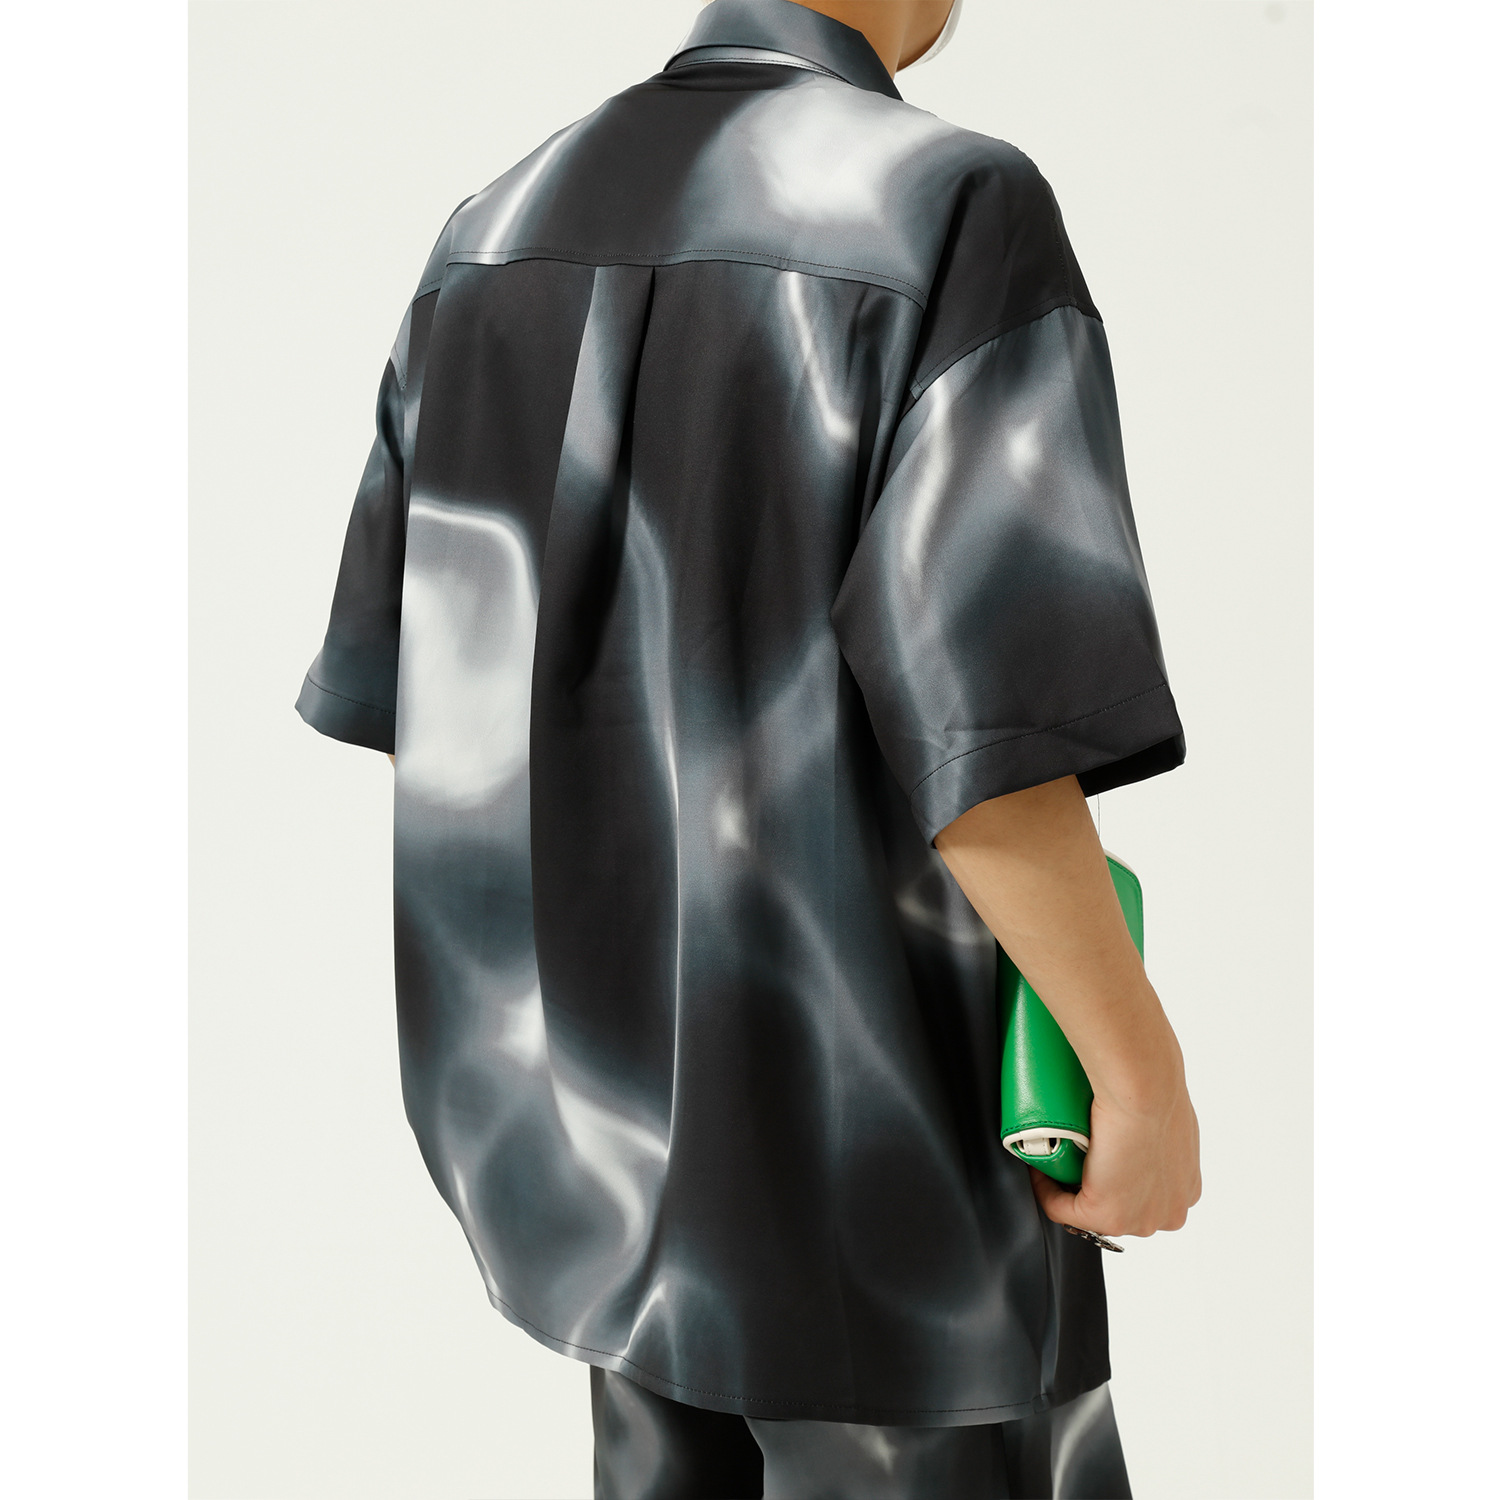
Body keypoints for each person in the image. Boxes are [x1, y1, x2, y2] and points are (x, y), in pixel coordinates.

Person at [296, 1, 1200, 1494]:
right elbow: (990, 742)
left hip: (600, 1183)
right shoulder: (949, 207)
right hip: (883, 1174)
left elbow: (429, 709)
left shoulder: (491, 230)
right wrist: (1136, 1071)